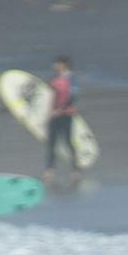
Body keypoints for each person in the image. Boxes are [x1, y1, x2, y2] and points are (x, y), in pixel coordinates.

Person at [42, 55, 81, 188]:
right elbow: (49, 96)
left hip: (66, 115)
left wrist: (61, 109)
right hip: (54, 115)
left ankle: (76, 170)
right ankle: (49, 170)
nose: (55, 66)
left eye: (57, 64)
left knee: (67, 141)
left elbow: (73, 97)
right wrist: (49, 113)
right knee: (52, 142)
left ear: (64, 65)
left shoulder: (72, 79)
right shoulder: (54, 79)